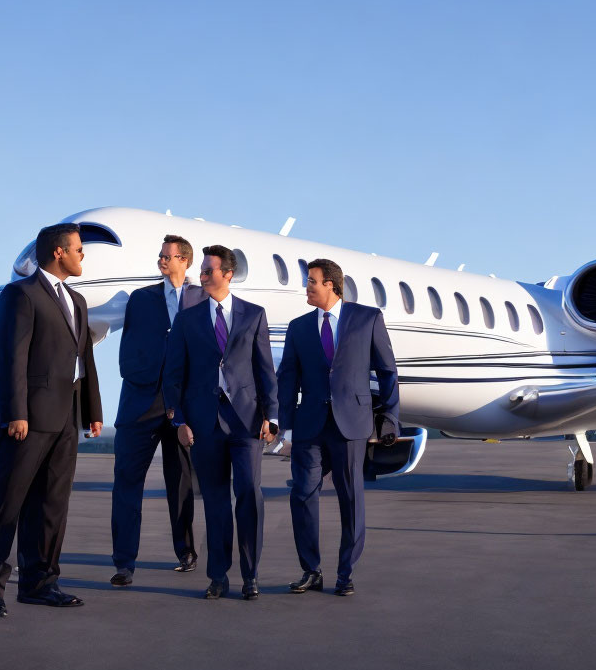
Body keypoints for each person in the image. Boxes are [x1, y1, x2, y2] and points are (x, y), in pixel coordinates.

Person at [0, 223, 102, 615]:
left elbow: (86, 359)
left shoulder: (77, 301)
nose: (84, 255)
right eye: (79, 249)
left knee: (51, 504)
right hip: (26, 419)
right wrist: (15, 412)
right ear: (58, 252)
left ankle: (41, 582)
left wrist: (92, 411)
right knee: (7, 503)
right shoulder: (21, 294)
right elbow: (10, 356)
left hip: (65, 417)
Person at [277, 258, 399, 597]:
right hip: (310, 425)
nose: (307, 287)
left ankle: (345, 573)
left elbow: (387, 371)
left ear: (331, 284)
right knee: (302, 494)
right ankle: (310, 570)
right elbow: (287, 378)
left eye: (312, 281)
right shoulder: (298, 327)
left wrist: (390, 417)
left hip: (351, 423)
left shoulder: (367, 318)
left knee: (351, 498)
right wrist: (284, 426)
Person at [163, 245, 277, 600]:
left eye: (209, 270)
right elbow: (173, 375)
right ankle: (218, 577)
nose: (203, 276)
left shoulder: (254, 315)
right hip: (203, 424)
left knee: (248, 495)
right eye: (202, 270)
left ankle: (251, 574)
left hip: (247, 423)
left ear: (228, 274)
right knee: (214, 502)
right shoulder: (187, 319)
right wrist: (178, 419)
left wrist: (272, 416)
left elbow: (265, 370)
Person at [109, 234, 205, 586]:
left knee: (180, 482)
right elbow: (128, 347)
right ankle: (123, 563)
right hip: (140, 404)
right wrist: (142, 378)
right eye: (161, 256)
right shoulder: (141, 298)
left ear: (185, 261)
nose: (162, 261)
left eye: (169, 256)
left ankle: (186, 552)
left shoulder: (202, 299)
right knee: (127, 483)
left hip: (183, 408)